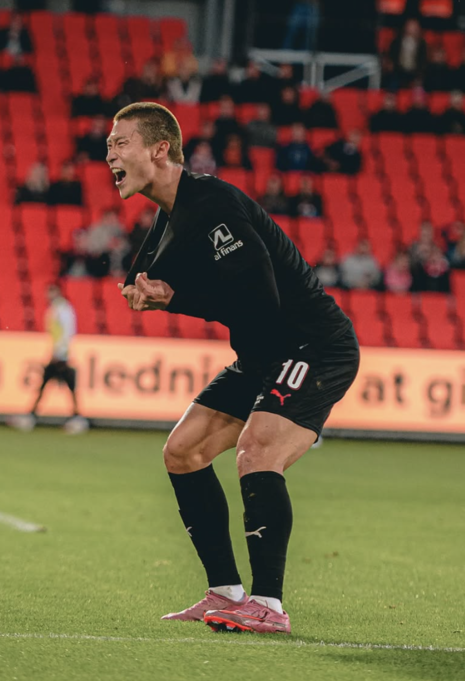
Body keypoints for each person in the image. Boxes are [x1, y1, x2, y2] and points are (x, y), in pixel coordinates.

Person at [109, 101, 359, 634]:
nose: (109, 154)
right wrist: (145, 290)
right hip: (263, 353)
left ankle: (269, 605)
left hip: (312, 346)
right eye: (109, 145)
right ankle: (224, 590)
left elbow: (260, 302)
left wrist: (173, 298)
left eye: (120, 143)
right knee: (183, 451)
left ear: (159, 149)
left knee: (257, 449)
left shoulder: (213, 204)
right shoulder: (172, 214)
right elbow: (138, 278)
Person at [7, 284, 88, 434]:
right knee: (52, 385)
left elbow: (67, 333)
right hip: (58, 354)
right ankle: (74, 417)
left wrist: (60, 353)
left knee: (59, 386)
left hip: (61, 356)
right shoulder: (55, 309)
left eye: (51, 292)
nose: (48, 296)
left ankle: (74, 418)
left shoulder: (63, 310)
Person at [389, 18, 428, 87]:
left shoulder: (422, 44)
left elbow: (423, 60)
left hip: (415, 72)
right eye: (410, 25)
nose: (412, 28)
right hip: (399, 70)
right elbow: (392, 56)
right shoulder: (397, 41)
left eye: (414, 26)